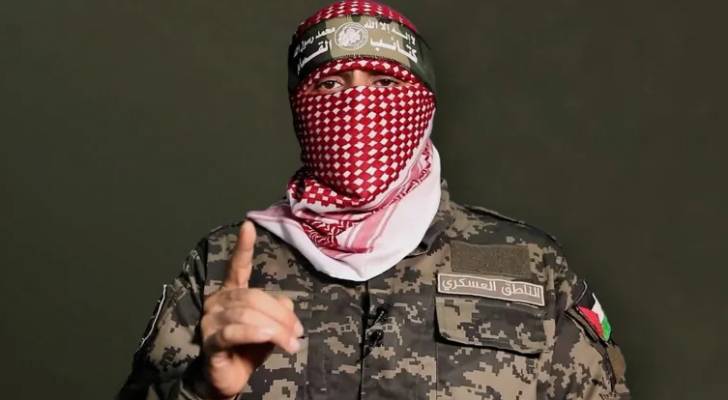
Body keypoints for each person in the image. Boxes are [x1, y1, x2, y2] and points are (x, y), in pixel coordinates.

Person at [116, 1, 630, 399]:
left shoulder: (528, 265)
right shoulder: (221, 266)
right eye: (330, 84)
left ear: (424, 103)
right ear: (299, 110)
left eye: (384, 82)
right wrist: (203, 389)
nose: (357, 103)